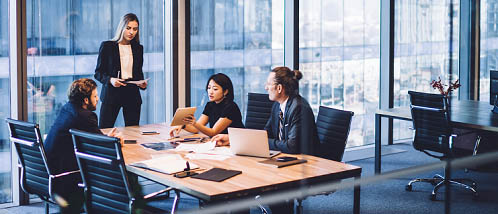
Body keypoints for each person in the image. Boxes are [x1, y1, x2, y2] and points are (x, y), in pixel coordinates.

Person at [212, 66, 319, 214]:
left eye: (269, 84)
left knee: (248, 186)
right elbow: (265, 133)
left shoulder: (299, 108)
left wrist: (262, 142)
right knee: (240, 185)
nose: (265, 87)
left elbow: (292, 147)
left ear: (279, 88)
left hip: (301, 165)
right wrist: (231, 139)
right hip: (283, 160)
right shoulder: (278, 106)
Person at [44, 78, 122, 213]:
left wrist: (105, 139)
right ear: (86, 100)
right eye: (95, 96)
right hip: (64, 177)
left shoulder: (67, 109)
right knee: (113, 168)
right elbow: (102, 148)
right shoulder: (86, 116)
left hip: (47, 172)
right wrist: (113, 141)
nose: (98, 99)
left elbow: (93, 139)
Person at [94, 13, 147, 128]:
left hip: (132, 94)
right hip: (112, 93)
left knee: (133, 132)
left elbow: (138, 72)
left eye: (135, 29)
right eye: (128, 28)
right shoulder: (107, 46)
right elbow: (98, 73)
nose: (131, 32)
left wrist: (142, 83)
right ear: (122, 28)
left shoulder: (138, 48)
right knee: (104, 129)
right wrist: (110, 80)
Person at [169, 73, 245, 137]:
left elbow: (213, 132)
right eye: (209, 88)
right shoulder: (210, 105)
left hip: (236, 143)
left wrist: (194, 123)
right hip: (219, 143)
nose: (210, 92)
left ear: (225, 92)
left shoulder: (231, 107)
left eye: (215, 89)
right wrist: (184, 125)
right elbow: (195, 129)